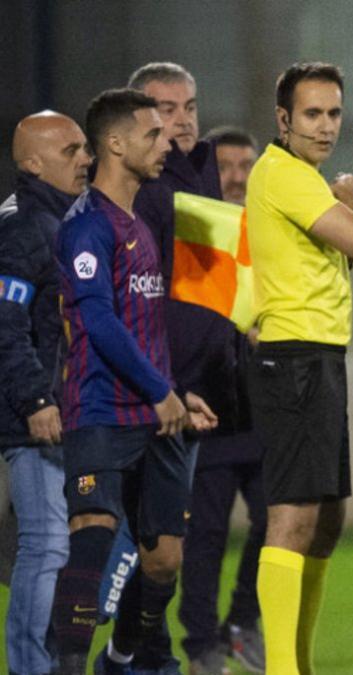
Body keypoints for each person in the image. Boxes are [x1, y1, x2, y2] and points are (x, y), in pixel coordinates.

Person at [49, 88, 217, 675]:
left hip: (156, 411)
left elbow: (145, 329)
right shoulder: (87, 227)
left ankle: (118, 660)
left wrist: (176, 391)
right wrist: (159, 390)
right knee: (92, 539)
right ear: (115, 145)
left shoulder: (137, 225)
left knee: (164, 562)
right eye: (152, 133)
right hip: (100, 412)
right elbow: (97, 321)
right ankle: (66, 663)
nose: (166, 141)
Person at [245, 62, 353, 675]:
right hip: (294, 359)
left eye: (334, 113)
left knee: (326, 521)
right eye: (312, 114)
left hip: (319, 358)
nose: (326, 127)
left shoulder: (303, 178)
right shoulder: (290, 176)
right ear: (283, 120)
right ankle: (281, 668)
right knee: (294, 517)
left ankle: (298, 661)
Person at [109, 60, 241, 675]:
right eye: (165, 108)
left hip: (192, 387)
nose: (182, 118)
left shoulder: (199, 170)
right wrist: (169, 385)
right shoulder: (137, 190)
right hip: (150, 389)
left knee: (162, 546)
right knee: (130, 546)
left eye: (189, 105)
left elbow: (205, 283)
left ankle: (140, 656)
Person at [0, 110, 89, 675]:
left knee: (69, 545)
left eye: (84, 148)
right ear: (32, 163)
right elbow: (5, 323)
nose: (85, 159)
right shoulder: (23, 228)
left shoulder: (59, 220)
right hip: (36, 417)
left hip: (67, 410)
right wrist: (36, 400)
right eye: (70, 151)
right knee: (47, 544)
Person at [177, 126, 268, 675]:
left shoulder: (266, 229)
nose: (235, 176)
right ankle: (202, 645)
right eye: (226, 165)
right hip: (208, 409)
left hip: (262, 410)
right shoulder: (193, 229)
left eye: (245, 165)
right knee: (203, 537)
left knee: (278, 521)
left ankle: (241, 621)